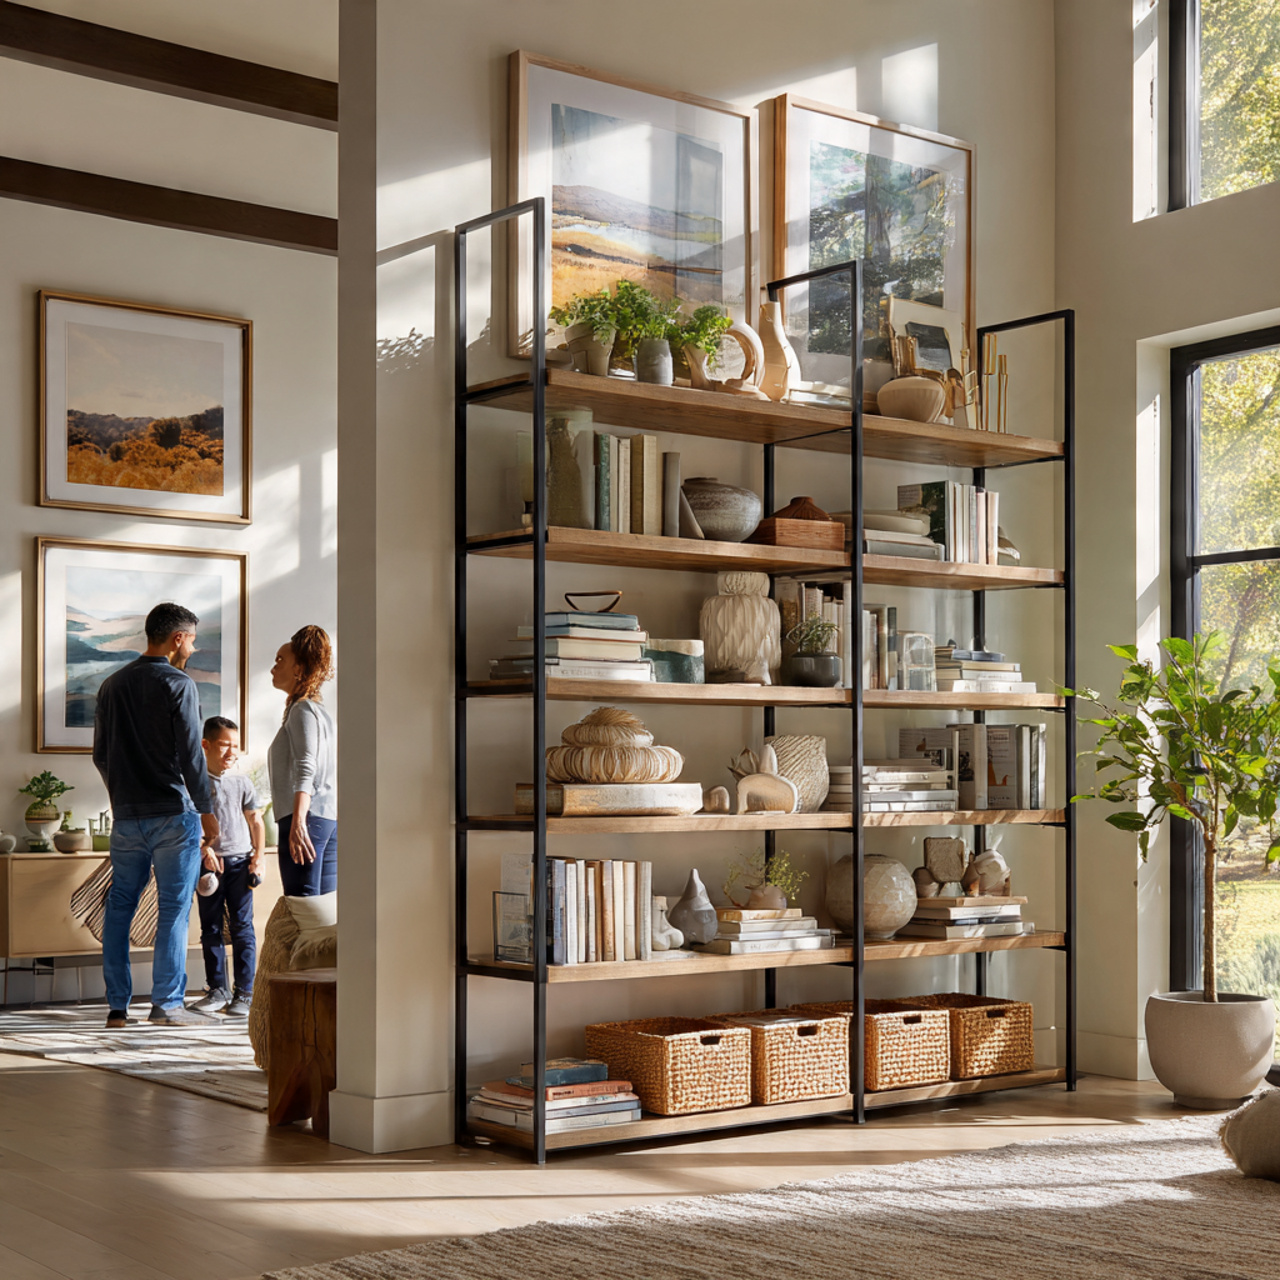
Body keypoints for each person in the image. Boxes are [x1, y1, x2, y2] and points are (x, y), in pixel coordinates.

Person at [92, 602, 219, 1028]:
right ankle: (166, 1005)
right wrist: (207, 810)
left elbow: (100, 755)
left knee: (119, 907)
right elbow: (192, 756)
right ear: (178, 638)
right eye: (192, 641)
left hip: (126, 817)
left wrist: (121, 799)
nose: (192, 649)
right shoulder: (179, 683)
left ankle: (117, 1008)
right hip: (172, 816)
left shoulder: (111, 685)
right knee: (173, 909)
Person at [191, 717, 265, 1016]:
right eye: (224, 745)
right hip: (207, 866)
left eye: (235, 745)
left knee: (242, 927)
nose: (231, 752)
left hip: (240, 863)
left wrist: (259, 857)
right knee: (210, 928)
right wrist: (203, 850)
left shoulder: (242, 781)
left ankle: (245, 993)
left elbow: (255, 820)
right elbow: (189, 823)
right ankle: (217, 991)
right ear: (206, 745)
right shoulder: (194, 781)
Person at [269, 625, 336, 896]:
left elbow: (306, 766)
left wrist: (298, 822)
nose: (273, 668)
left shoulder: (303, 710)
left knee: (302, 906)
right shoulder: (319, 711)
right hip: (325, 818)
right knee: (322, 909)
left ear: (298, 669)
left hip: (306, 819)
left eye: (280, 660)